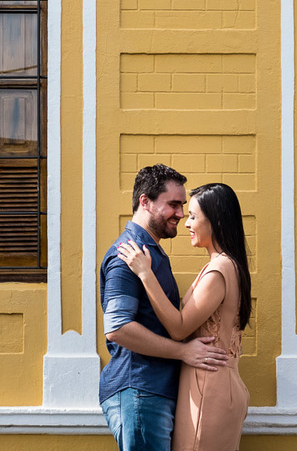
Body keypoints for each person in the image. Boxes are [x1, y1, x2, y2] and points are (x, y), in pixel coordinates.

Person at [100, 164, 231, 451]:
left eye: (183, 206)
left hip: (154, 390)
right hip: (139, 389)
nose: (181, 214)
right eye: (173, 204)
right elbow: (118, 329)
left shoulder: (150, 253)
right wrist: (183, 352)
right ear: (145, 201)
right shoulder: (127, 253)